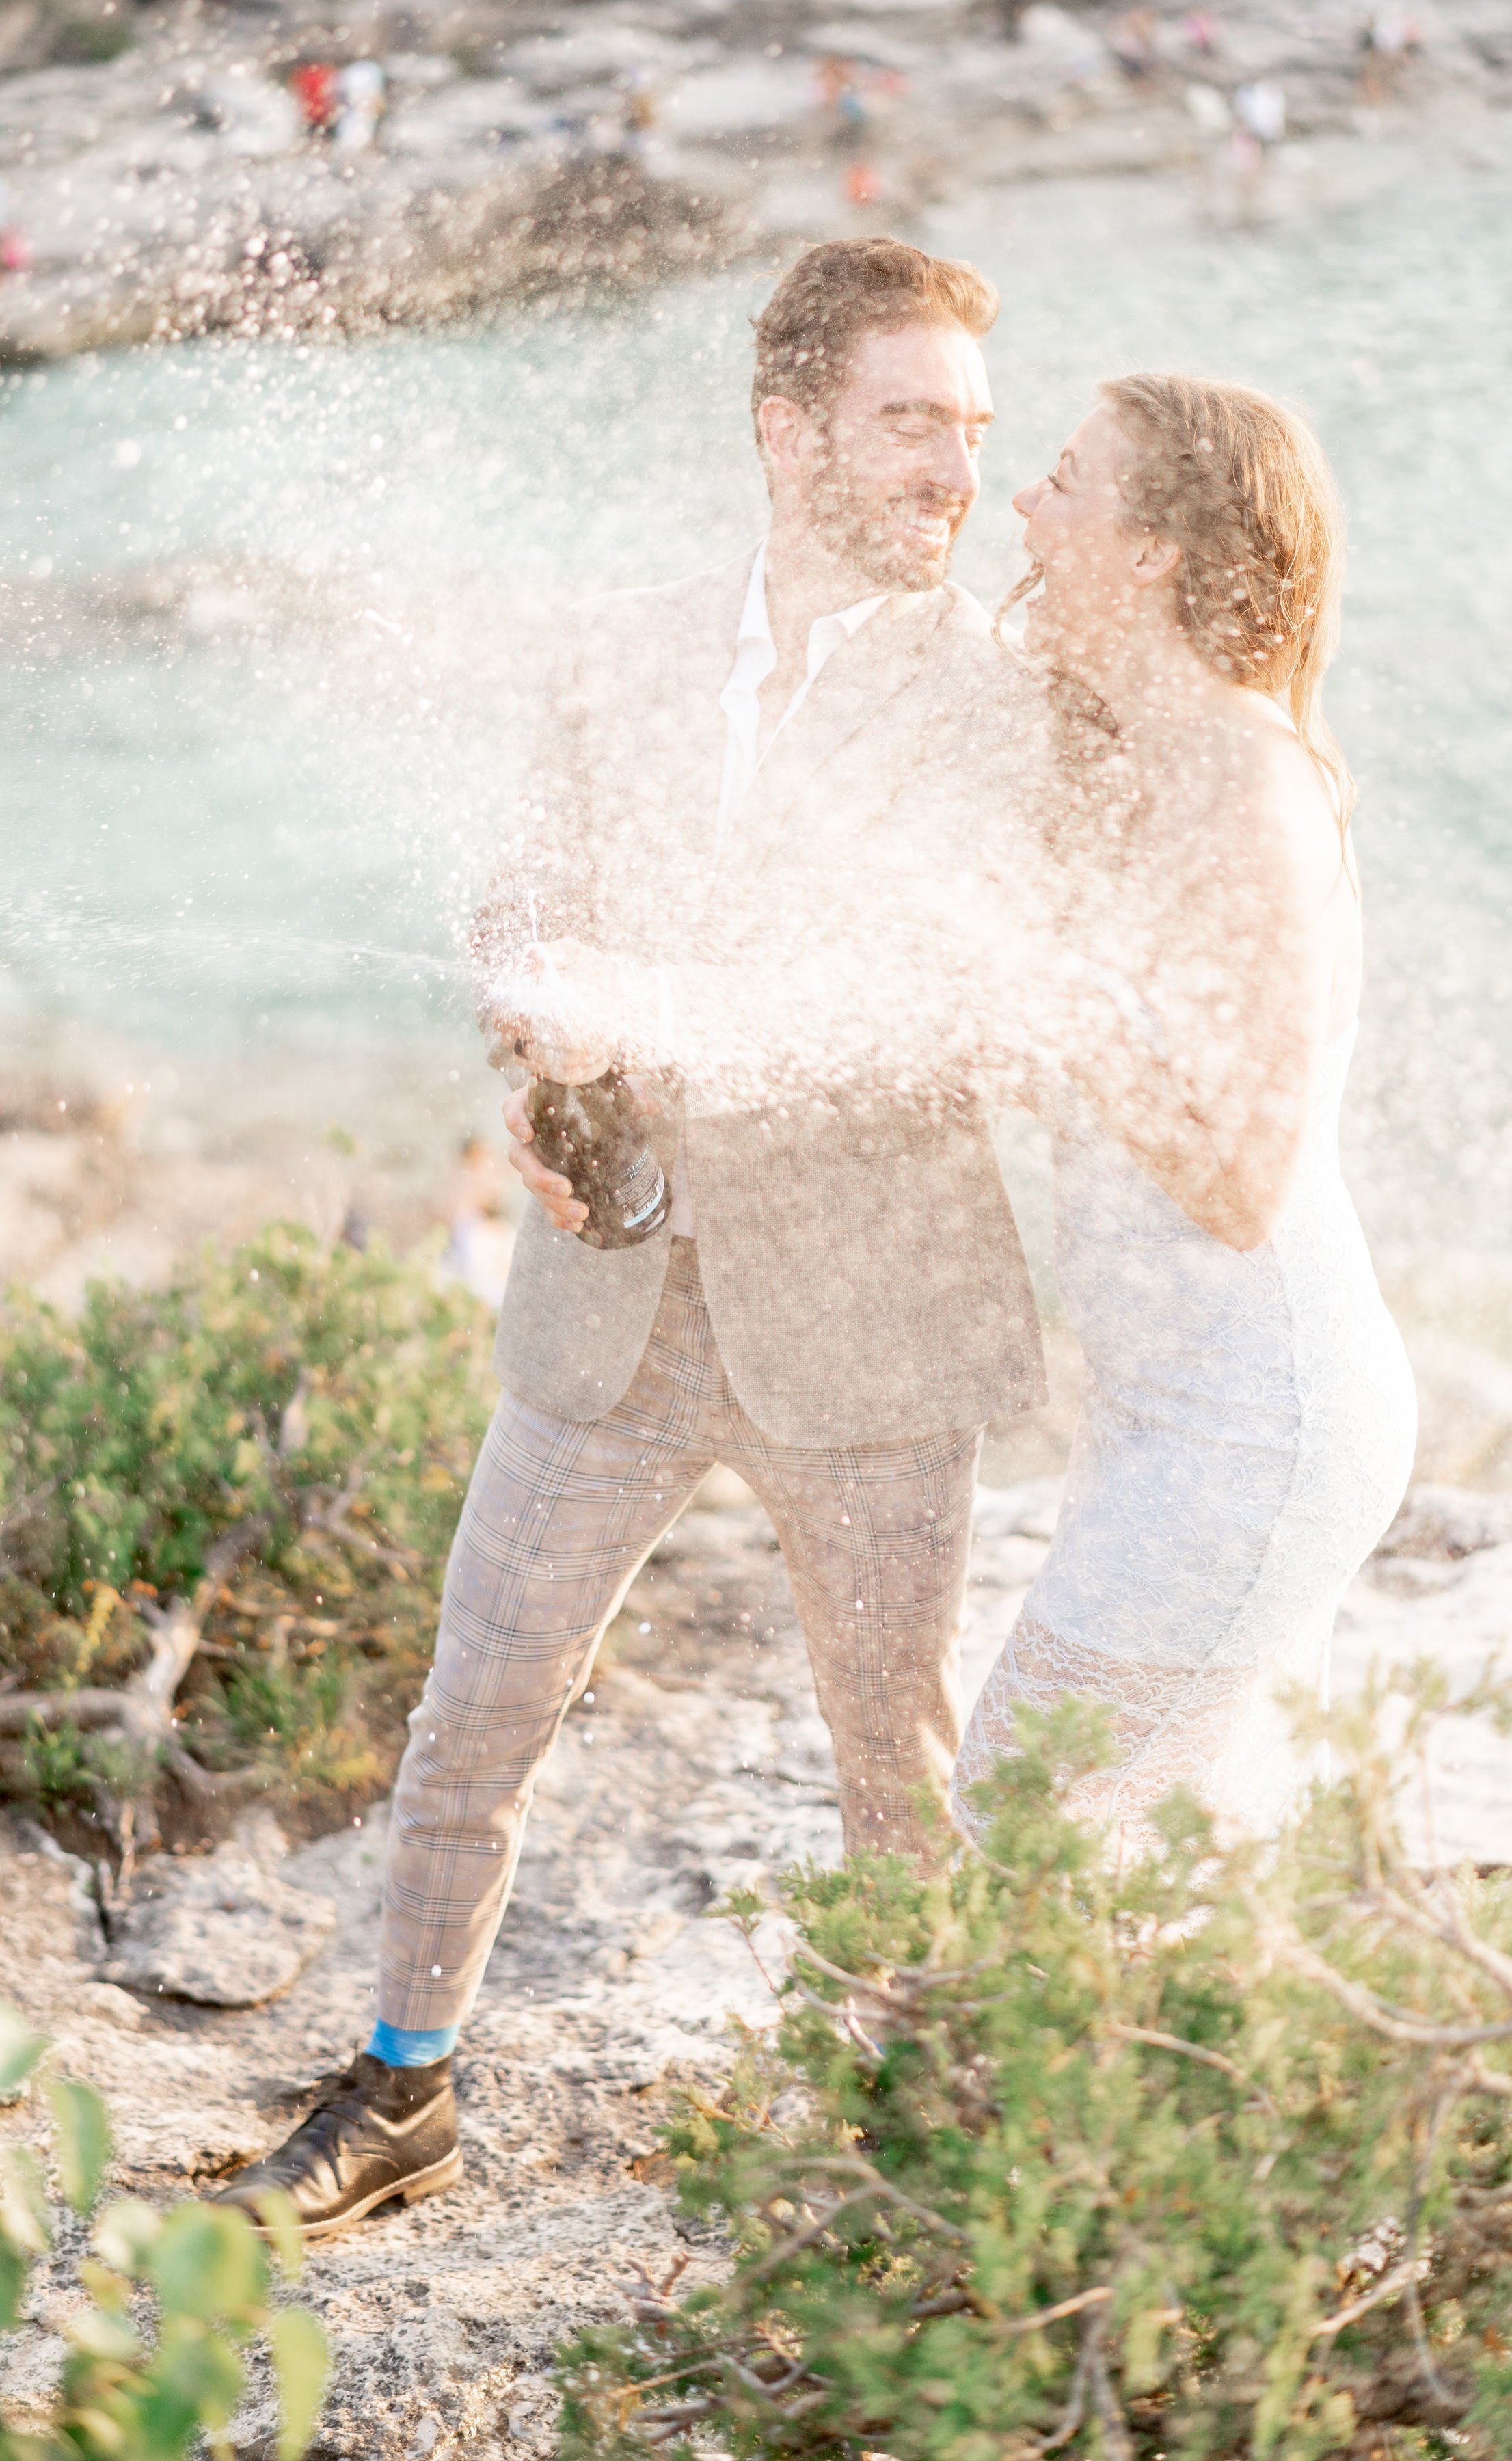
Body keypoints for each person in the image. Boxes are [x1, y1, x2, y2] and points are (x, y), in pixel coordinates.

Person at [214, 238, 1049, 2242]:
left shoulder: (1001, 697)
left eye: (975, 432)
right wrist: (527, 1042)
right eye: (911, 423)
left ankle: (912, 2141)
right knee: (475, 1702)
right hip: (608, 1290)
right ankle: (405, 2089)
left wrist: (655, 1024)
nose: (958, 474)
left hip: (869, 1319)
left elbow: (949, 1001)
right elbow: (523, 897)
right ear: (790, 433)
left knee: (894, 1767)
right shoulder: (626, 646)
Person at [952, 375, 1417, 1850]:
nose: (1023, 502)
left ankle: (933, 2089)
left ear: (1154, 549)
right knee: (1192, 1883)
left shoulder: (1252, 790)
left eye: (1067, 477)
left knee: (1012, 1824)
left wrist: (1059, 988)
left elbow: (1240, 1183)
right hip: (1175, 1421)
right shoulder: (1142, 764)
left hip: (1252, 1428)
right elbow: (1113, 1079)